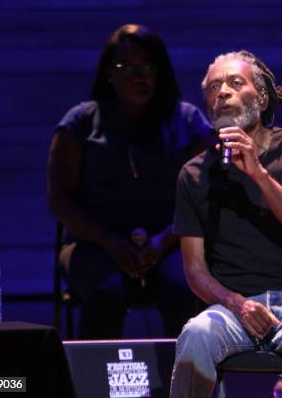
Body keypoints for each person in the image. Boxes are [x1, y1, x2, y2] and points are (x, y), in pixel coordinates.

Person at [169, 50, 282, 397]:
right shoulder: (194, 174)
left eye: (234, 83)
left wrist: (258, 174)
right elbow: (195, 270)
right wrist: (237, 304)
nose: (223, 92)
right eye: (214, 87)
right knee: (195, 336)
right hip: (231, 309)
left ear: (261, 98)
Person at [47, 24, 213, 339]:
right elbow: (59, 200)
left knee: (184, 287)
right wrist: (110, 241)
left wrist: (163, 241)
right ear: (109, 73)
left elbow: (206, 196)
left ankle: (184, 384)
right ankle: (94, 384)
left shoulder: (188, 121)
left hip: (171, 243)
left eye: (148, 67)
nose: (140, 76)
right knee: (106, 291)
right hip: (94, 244)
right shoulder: (80, 122)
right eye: (127, 67)